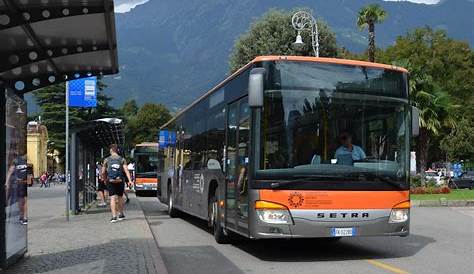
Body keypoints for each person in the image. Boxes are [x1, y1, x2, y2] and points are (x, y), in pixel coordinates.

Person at [101, 144, 133, 223]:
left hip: (110, 180)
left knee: (112, 198)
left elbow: (103, 172)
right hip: (120, 180)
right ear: (117, 150)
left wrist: (104, 179)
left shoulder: (106, 160)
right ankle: (121, 214)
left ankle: (114, 217)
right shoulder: (122, 159)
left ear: (111, 150)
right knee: (120, 197)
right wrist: (130, 180)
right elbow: (126, 170)